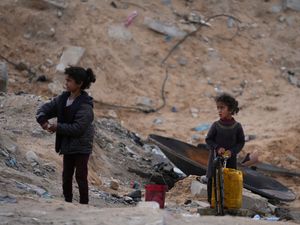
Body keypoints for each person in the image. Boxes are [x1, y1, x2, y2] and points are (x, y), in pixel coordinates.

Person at [36, 66, 96, 204]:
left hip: (81, 147)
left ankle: (84, 205)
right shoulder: (63, 99)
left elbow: (78, 128)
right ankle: (67, 202)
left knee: (81, 176)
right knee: (66, 176)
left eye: (69, 81)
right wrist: (43, 121)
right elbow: (44, 109)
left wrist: (57, 127)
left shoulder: (85, 106)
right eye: (66, 80)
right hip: (67, 145)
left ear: (79, 83)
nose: (66, 83)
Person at [205, 93, 245, 205]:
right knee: (212, 179)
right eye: (218, 107)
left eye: (222, 107)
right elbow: (208, 140)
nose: (219, 110)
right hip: (215, 158)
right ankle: (211, 202)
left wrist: (232, 151)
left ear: (230, 109)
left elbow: (241, 142)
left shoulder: (237, 126)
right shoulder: (216, 125)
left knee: (229, 179)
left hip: (230, 159)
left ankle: (227, 204)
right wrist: (217, 147)